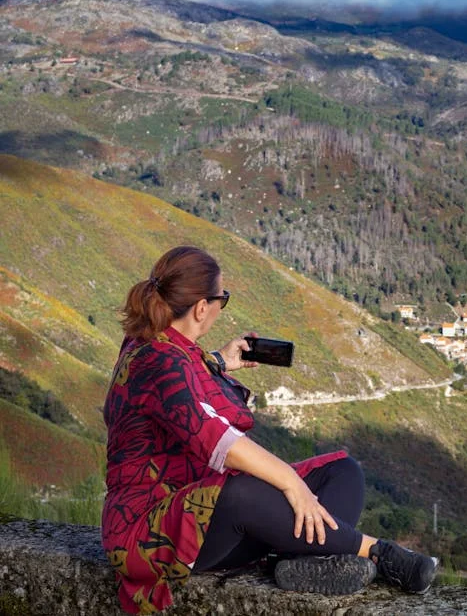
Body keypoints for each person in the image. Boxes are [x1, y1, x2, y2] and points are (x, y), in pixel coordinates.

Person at [101, 246, 436, 615]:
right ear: (201, 308)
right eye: (221, 299)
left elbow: (180, 381)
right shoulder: (159, 361)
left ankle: (297, 562)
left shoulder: (153, 342)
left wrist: (219, 361)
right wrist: (291, 482)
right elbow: (219, 442)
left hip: (203, 514)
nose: (220, 306)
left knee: (343, 471)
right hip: (151, 529)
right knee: (243, 490)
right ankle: (378, 553)